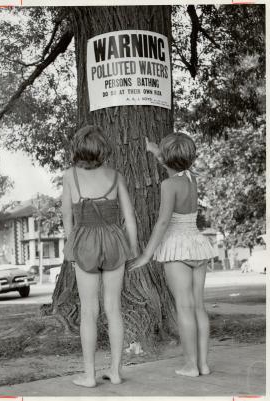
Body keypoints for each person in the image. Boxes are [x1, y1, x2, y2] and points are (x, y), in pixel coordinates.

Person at [127, 133, 216, 377]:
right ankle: (204, 364)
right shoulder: (190, 179)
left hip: (177, 247)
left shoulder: (169, 185)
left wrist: (147, 254)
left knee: (184, 308)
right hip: (197, 244)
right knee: (199, 307)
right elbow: (175, 165)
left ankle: (190, 365)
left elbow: (163, 221)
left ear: (167, 159)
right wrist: (155, 151)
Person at [62, 125, 138, 387]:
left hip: (85, 242)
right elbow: (129, 217)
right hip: (115, 241)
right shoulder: (116, 176)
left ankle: (89, 375)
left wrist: (72, 248)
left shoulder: (70, 176)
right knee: (113, 309)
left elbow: (67, 217)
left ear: (78, 148)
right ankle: (115, 372)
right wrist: (134, 248)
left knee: (89, 311)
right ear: (102, 149)